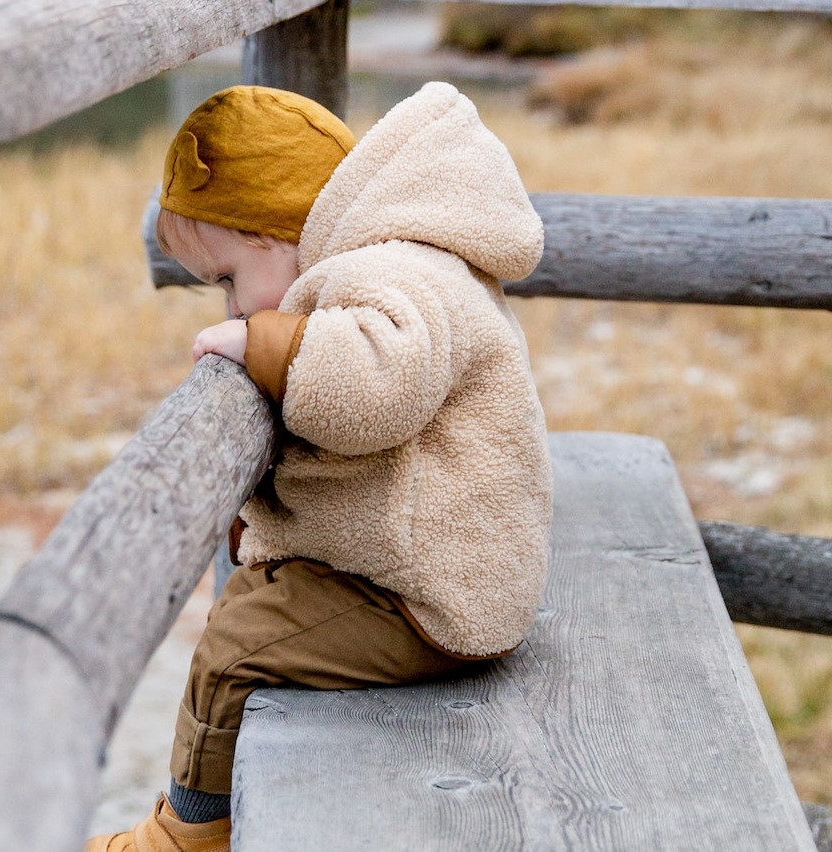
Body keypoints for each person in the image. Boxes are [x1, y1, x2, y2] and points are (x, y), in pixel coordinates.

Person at [86, 82, 552, 852]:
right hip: (430, 570)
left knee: (236, 648)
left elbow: (376, 389)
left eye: (230, 277)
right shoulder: (377, 265)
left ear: (280, 233)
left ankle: (189, 834)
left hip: (434, 601)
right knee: (251, 611)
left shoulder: (399, 274)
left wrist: (267, 346)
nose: (235, 308)